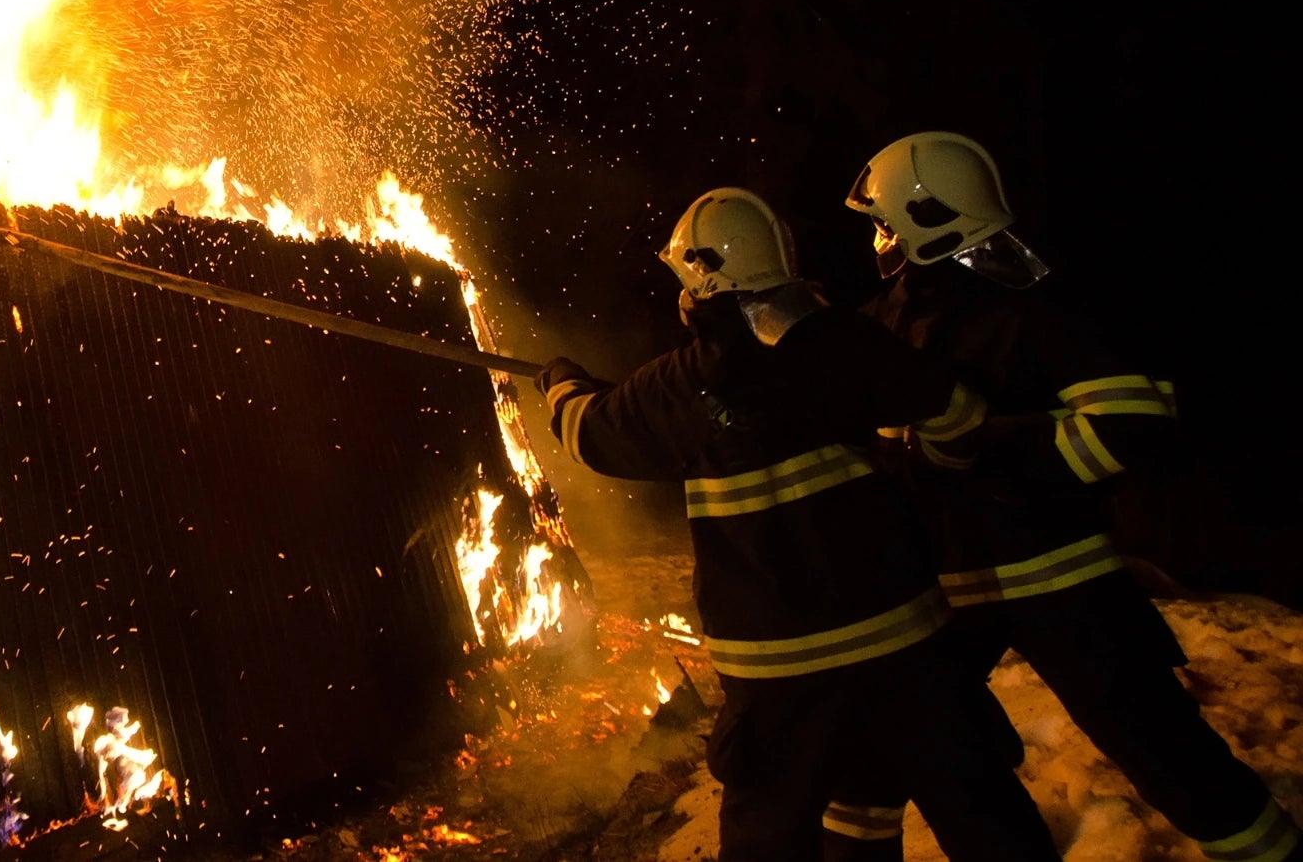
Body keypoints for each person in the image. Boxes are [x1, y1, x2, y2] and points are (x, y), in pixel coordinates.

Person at [538, 187, 1056, 861]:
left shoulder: (682, 384)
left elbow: (588, 435)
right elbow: (958, 415)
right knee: (979, 815)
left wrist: (561, 380)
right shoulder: (850, 342)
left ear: (702, 280)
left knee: (769, 837)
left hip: (779, 677)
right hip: (906, 647)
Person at [845, 131, 1298, 862]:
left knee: (1174, 764)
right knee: (882, 759)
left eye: (888, 222)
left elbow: (1133, 424)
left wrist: (988, 447)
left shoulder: (1034, 312)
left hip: (1062, 583)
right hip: (943, 593)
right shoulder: (882, 320)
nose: (880, 239)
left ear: (934, 218)